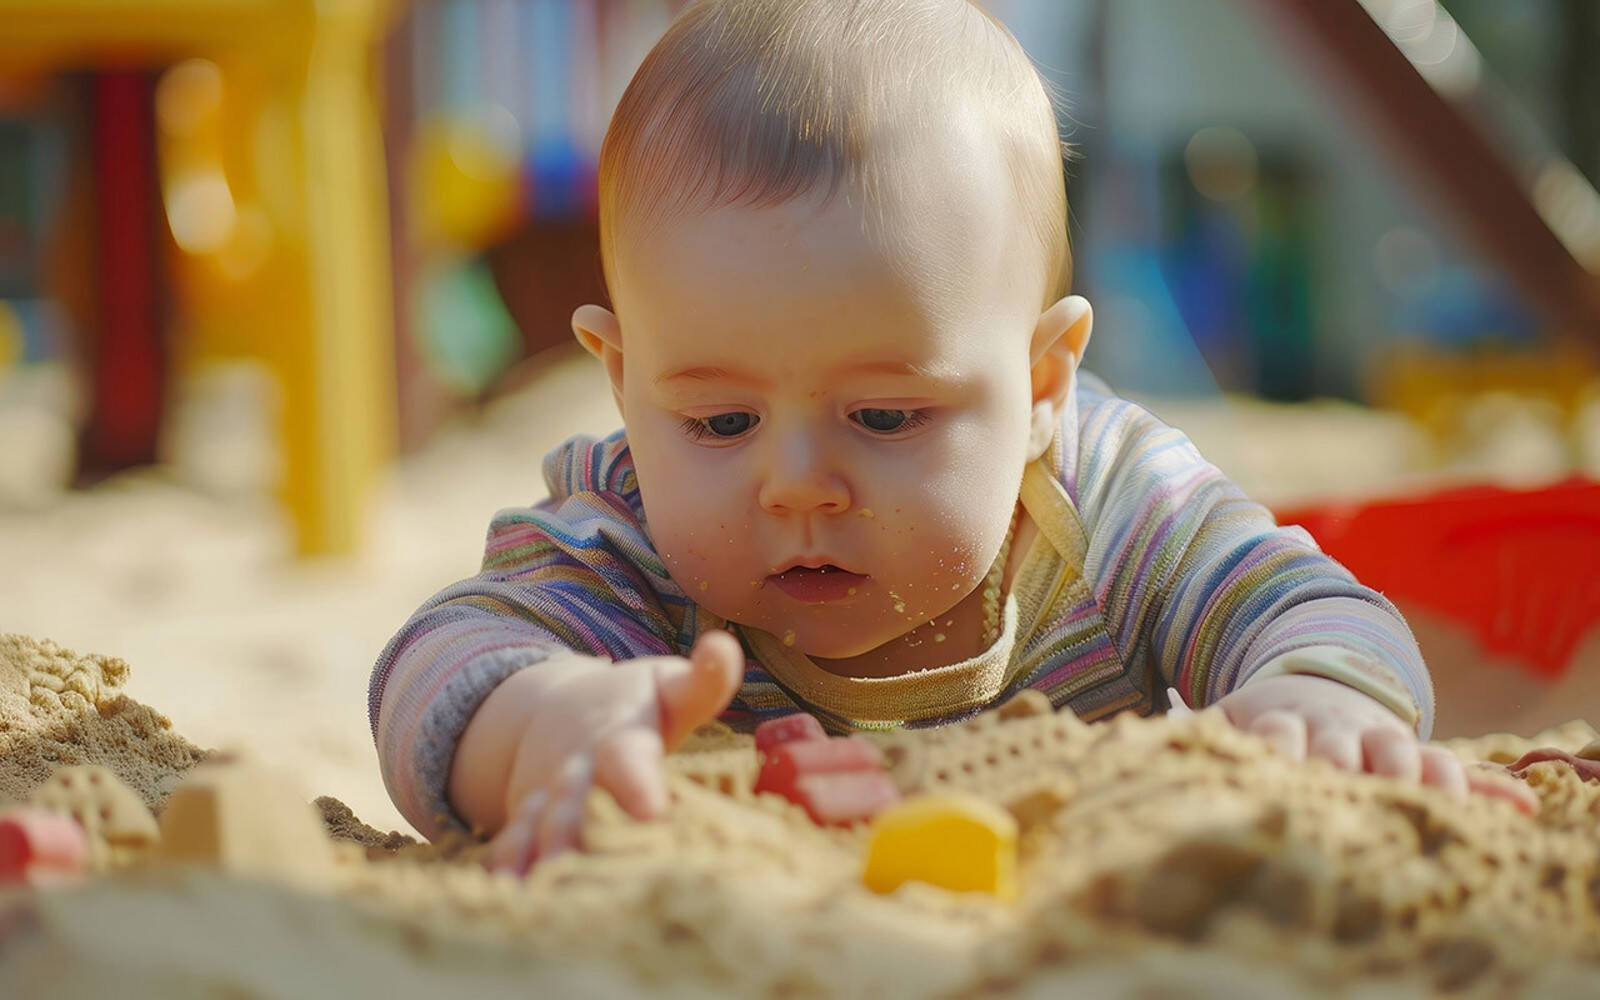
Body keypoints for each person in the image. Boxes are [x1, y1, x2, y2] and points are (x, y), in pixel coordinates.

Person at [369, 0, 1509, 874]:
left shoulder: (1113, 506)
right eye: (720, 419)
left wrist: (1316, 698)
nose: (797, 483)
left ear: (1042, 383)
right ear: (623, 386)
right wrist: (533, 719)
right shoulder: (624, 531)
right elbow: (437, 659)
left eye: (883, 415)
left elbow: (1310, 607)